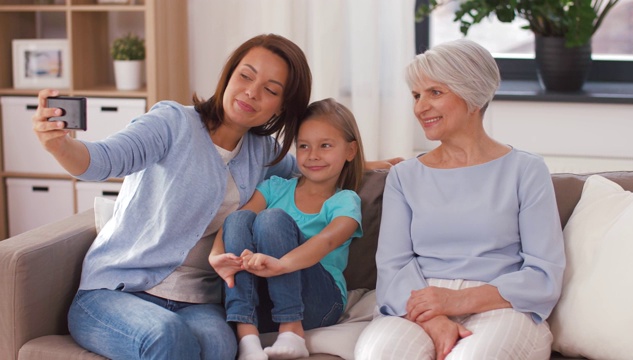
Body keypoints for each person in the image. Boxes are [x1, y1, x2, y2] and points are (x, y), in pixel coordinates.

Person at [30, 33, 314, 360]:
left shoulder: (263, 153)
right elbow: (103, 160)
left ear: (281, 108)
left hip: (197, 301)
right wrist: (60, 145)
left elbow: (313, 169)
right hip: (116, 292)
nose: (251, 91)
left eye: (270, 89)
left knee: (220, 346)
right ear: (229, 75)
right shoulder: (172, 122)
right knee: (167, 336)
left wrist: (369, 163)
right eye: (246, 75)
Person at [354, 39, 566, 360]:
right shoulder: (404, 176)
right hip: (420, 303)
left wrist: (459, 300)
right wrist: (436, 318)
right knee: (378, 354)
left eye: (435, 93)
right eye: (416, 95)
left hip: (502, 305)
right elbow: (393, 267)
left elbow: (544, 274)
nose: (420, 107)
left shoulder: (526, 170)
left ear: (474, 95)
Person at [209, 98, 365, 360]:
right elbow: (232, 225)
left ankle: (292, 331)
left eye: (325, 146)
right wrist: (216, 257)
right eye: (304, 146)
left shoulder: (344, 201)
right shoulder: (274, 187)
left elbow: (326, 242)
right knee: (238, 219)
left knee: (272, 219)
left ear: (350, 151)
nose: (313, 155)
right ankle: (247, 336)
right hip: (264, 304)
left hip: (318, 304)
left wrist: (282, 265)